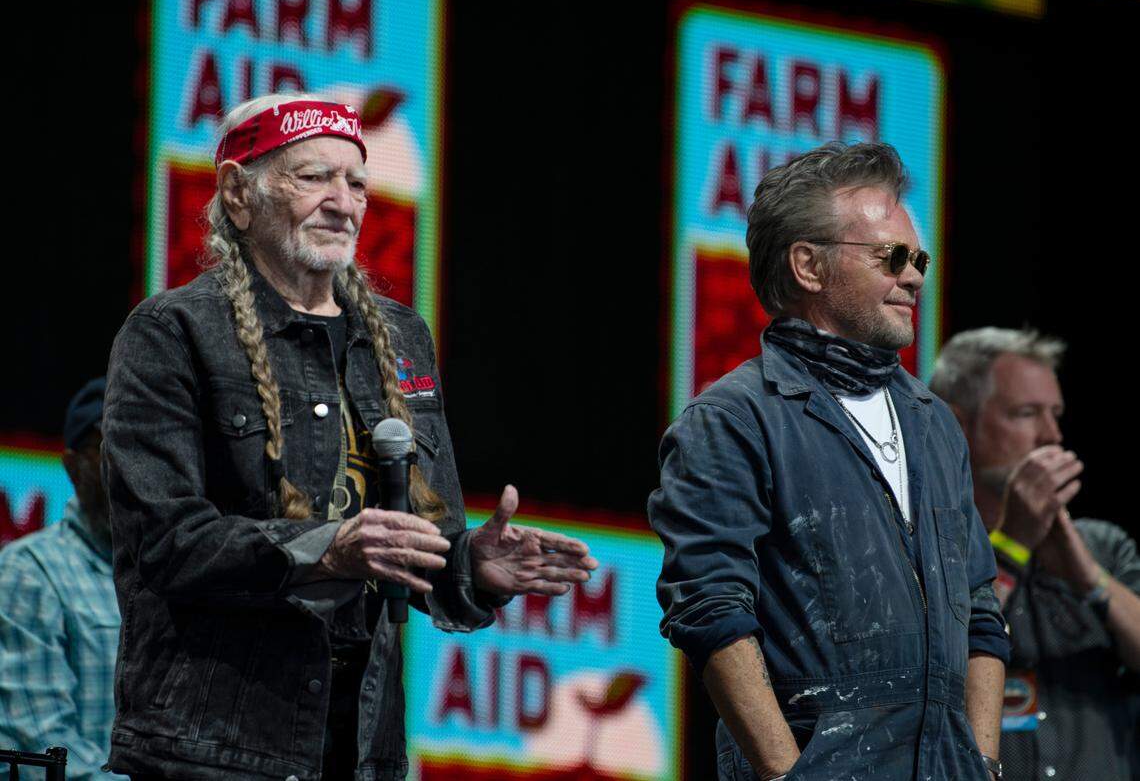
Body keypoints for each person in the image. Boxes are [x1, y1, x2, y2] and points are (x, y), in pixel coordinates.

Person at [101, 94, 597, 780]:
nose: (343, 203)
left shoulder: (401, 337)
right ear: (238, 194)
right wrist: (329, 550)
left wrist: (471, 567)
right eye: (314, 177)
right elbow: (164, 541)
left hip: (362, 749)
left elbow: (419, 543)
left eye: (357, 183)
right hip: (214, 751)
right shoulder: (172, 332)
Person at [649, 142, 1009, 781]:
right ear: (808, 266)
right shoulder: (733, 419)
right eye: (892, 257)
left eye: (919, 259)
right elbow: (711, 610)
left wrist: (980, 765)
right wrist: (786, 774)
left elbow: (980, 612)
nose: (915, 277)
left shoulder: (934, 424)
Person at [930, 327, 1140, 780]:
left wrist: (1090, 578)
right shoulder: (929, 552)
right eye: (1026, 413)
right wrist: (1011, 546)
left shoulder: (1102, 547)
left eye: (1055, 415)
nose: (1052, 435)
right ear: (957, 424)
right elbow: (934, 670)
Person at [0, 378, 128, 781]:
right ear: (73, 467)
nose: (133, 469)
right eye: (111, 450)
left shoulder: (176, 576)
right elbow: (41, 745)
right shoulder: (30, 572)